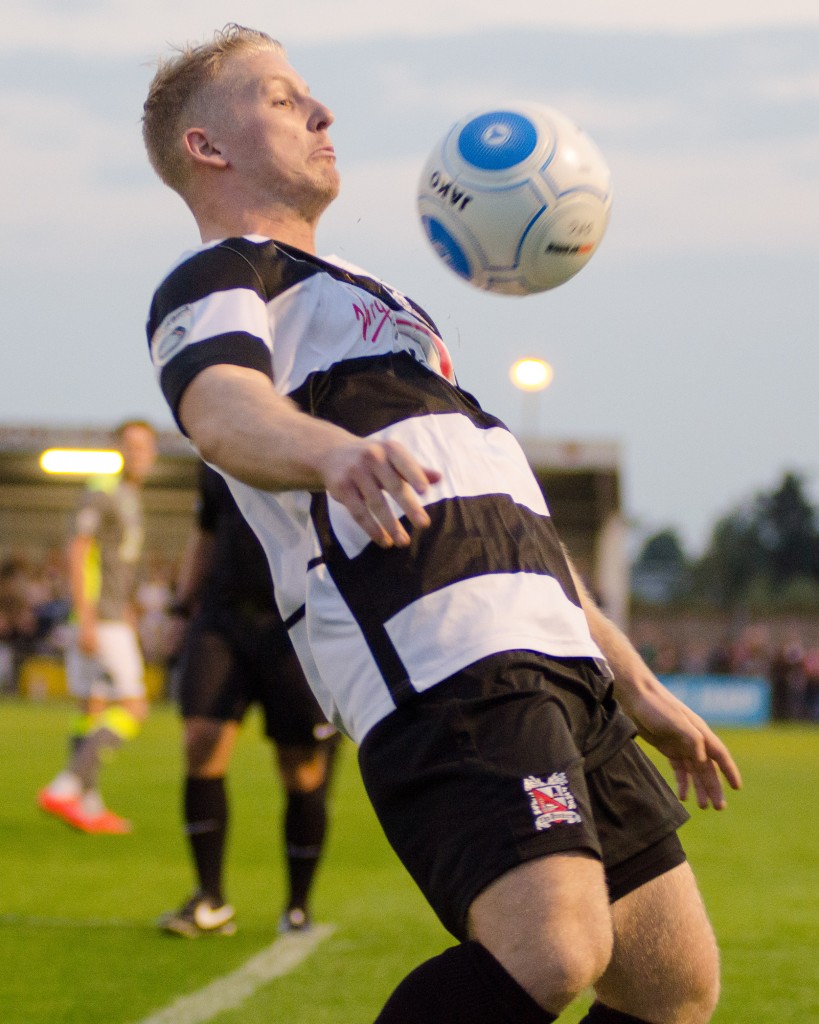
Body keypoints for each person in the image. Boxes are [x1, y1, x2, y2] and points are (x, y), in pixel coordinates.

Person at [142, 26, 742, 1024]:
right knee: (552, 948)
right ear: (208, 147)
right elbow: (219, 408)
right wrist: (329, 450)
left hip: (555, 652)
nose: (322, 113)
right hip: (438, 651)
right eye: (285, 99)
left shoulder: (389, 302)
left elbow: (501, 503)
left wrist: (635, 681)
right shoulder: (221, 278)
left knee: (672, 985)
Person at [158, 460, 338, 938]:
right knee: (201, 739)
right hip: (222, 616)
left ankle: (298, 904)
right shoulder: (216, 448)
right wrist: (181, 606)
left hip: (296, 620)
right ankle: (209, 897)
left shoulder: (313, 438)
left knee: (301, 766)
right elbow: (206, 531)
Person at [38, 419, 157, 834]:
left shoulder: (129, 496)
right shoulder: (102, 490)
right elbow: (78, 552)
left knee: (92, 707)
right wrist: (86, 617)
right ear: (116, 447)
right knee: (134, 707)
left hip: (110, 614)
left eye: (145, 447)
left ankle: (87, 805)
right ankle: (67, 785)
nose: (138, 454)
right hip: (98, 617)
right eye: (131, 445)